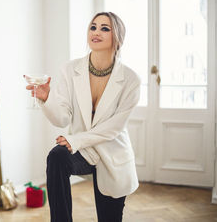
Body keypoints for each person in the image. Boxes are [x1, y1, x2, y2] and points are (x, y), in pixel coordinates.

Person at [26, 12, 140, 222]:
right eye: (93, 27)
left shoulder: (131, 79)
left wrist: (75, 140)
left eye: (105, 28)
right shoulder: (69, 69)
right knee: (57, 157)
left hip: (112, 152)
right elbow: (62, 119)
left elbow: (113, 129)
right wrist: (47, 98)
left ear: (118, 37)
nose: (96, 32)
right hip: (85, 151)